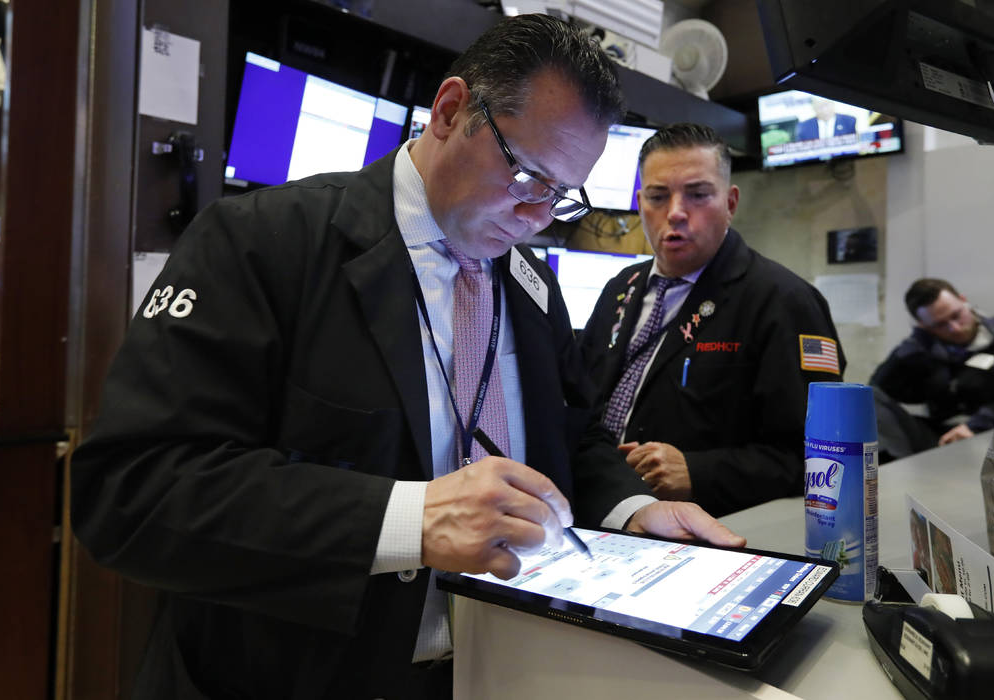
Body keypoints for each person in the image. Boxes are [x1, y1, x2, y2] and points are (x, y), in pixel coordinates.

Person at [70, 16, 744, 700]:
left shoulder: (530, 283)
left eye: (561, 196)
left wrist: (630, 509)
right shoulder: (264, 243)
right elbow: (133, 493)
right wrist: (406, 521)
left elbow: (572, 435)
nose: (537, 217)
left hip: (501, 667)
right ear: (451, 112)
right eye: (527, 175)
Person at [579, 123, 846, 517]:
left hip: (710, 531)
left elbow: (819, 459)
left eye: (698, 194)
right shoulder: (622, 287)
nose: (675, 213)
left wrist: (699, 472)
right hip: (603, 510)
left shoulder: (783, 301)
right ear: (640, 203)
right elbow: (581, 403)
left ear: (730, 203)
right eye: (657, 196)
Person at [870, 278, 994, 457]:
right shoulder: (924, 349)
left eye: (956, 315)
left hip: (989, 430)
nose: (954, 328)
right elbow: (881, 387)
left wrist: (977, 424)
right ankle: (892, 470)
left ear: (963, 300)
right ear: (924, 325)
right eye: (940, 324)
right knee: (869, 397)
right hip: (943, 436)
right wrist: (918, 341)